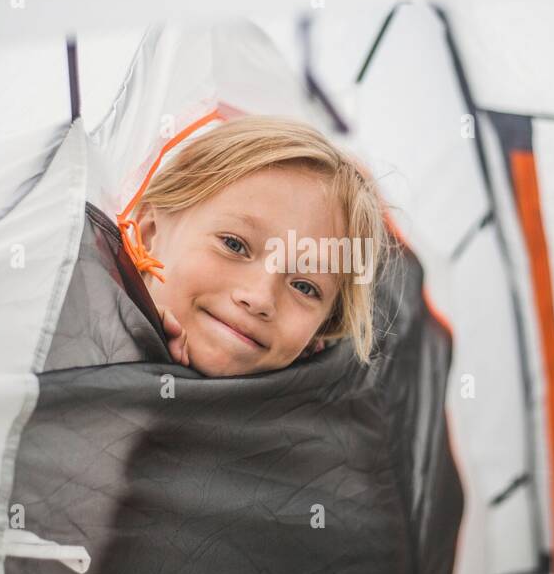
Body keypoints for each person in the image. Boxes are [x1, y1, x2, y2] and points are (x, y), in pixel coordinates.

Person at [124, 114, 389, 377]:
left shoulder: (328, 414)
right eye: (234, 245)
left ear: (319, 333)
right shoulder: (83, 307)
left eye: (304, 287)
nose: (259, 298)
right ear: (150, 232)